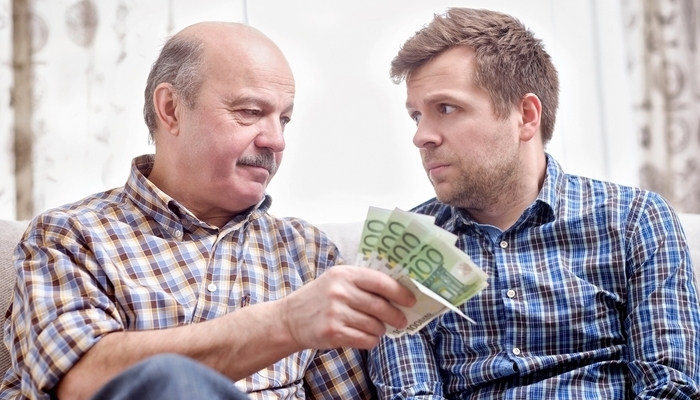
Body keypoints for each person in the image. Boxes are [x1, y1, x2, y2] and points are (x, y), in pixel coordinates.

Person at [1, 21, 416, 400]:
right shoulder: (68, 236)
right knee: (170, 380)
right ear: (171, 110)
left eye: (284, 119)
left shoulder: (307, 253)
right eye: (250, 113)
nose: (276, 140)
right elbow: (79, 380)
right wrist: (285, 323)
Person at [368, 7, 700, 399]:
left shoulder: (634, 220)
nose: (421, 136)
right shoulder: (404, 245)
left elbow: (670, 388)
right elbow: (412, 395)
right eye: (416, 116)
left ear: (525, 115)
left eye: (446, 108)